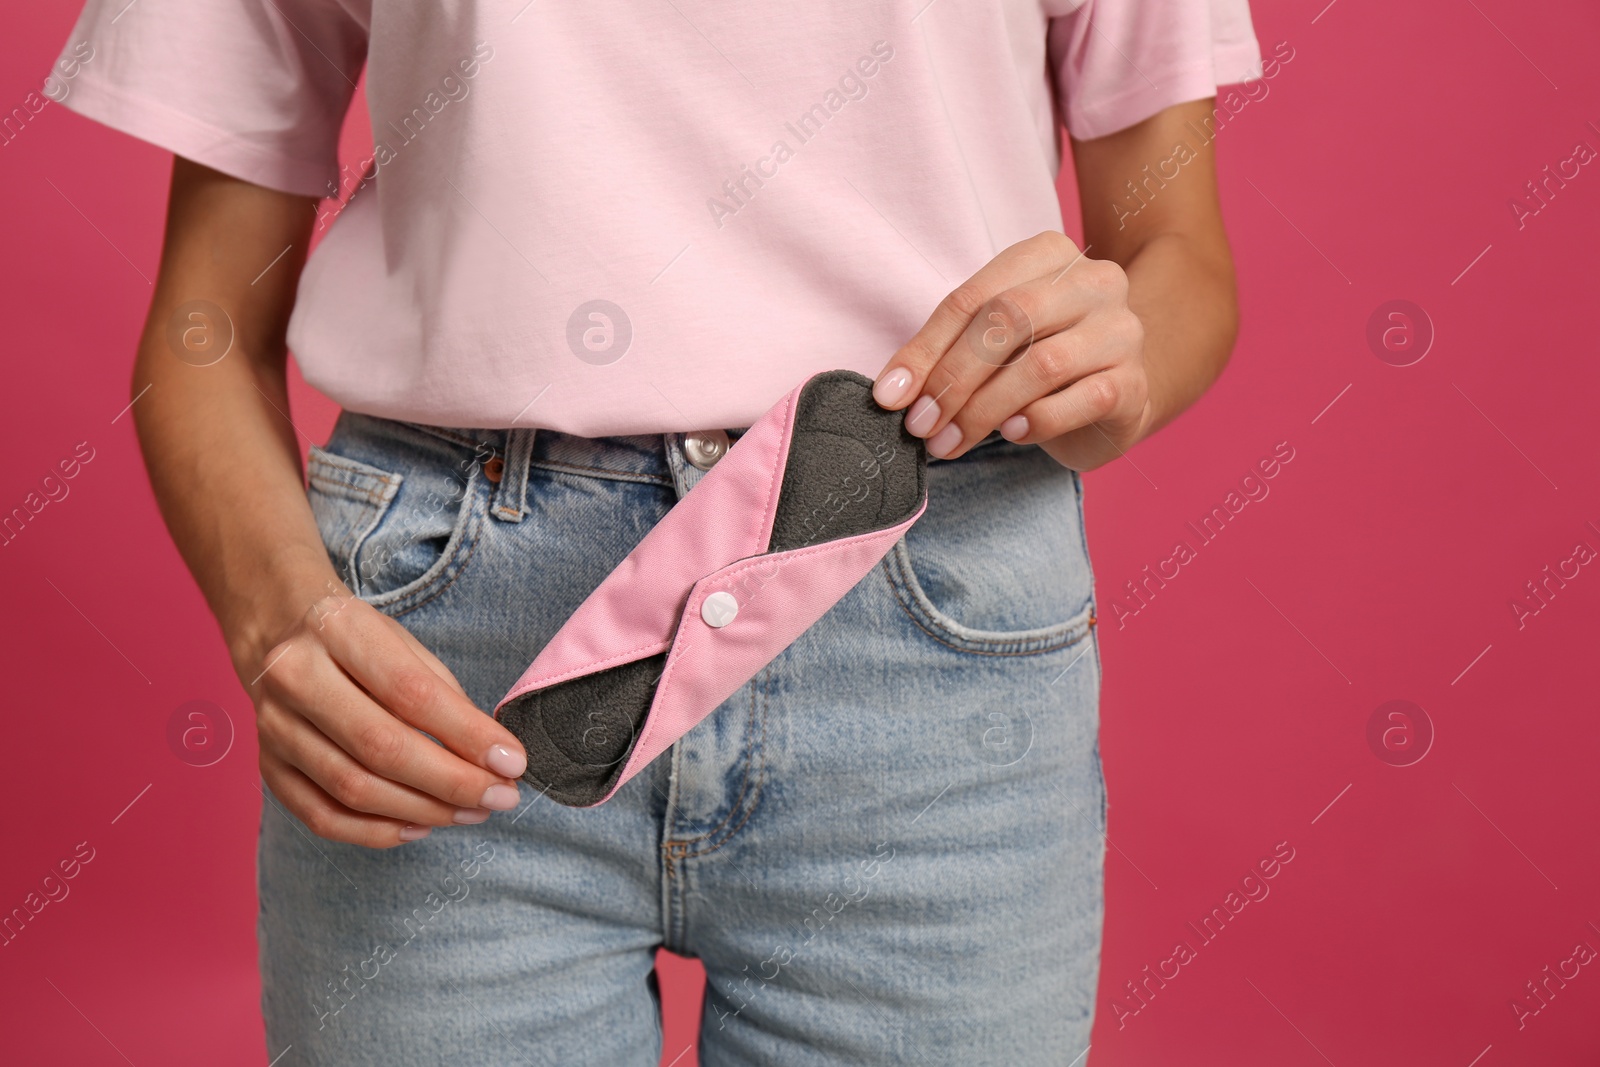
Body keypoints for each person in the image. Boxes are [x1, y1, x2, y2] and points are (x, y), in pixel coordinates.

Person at [52, 1, 1258, 1062]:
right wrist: (277, 618)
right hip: (450, 668)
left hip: (930, 627)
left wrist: (1119, 356)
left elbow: (1177, 257)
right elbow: (206, 318)